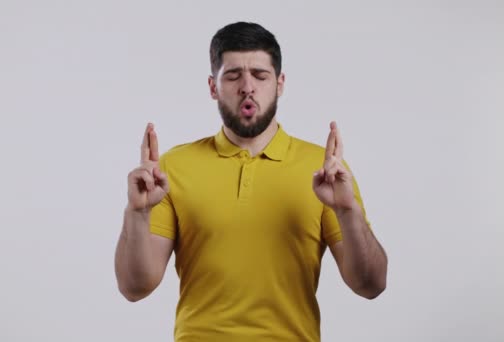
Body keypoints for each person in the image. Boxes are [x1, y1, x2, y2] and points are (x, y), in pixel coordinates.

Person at [114, 22, 388, 342]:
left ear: (280, 83)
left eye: (260, 75)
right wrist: (137, 213)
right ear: (213, 86)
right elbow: (135, 288)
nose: (247, 87)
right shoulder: (172, 169)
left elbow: (371, 285)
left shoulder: (325, 171)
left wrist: (347, 210)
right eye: (233, 76)